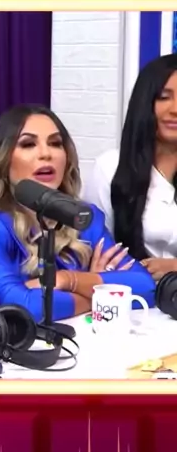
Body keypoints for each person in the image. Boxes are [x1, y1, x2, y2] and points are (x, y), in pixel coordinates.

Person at [0, 105, 154, 326]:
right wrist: (99, 294)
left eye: (55, 143)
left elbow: (146, 287)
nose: (46, 154)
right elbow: (25, 308)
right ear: (3, 161)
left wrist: (68, 280)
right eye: (28, 144)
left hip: (77, 340)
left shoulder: (84, 219)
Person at [84, 54, 177, 282]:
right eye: (164, 97)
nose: (175, 109)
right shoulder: (110, 167)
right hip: (133, 294)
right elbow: (95, 247)